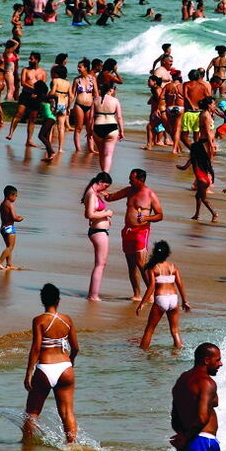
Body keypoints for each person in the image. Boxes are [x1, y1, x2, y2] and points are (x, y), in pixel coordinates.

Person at [24, 284, 79, 444]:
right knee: (67, 412)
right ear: (58, 300)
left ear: (42, 300)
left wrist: (29, 373)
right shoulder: (67, 320)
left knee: (32, 413)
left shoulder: (39, 320)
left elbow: (36, 348)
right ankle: (71, 446)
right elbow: (75, 348)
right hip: (65, 368)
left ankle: (26, 448)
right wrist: (71, 361)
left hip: (45, 369)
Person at [170, 343, 223, 451]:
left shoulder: (182, 380)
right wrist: (186, 437)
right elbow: (202, 418)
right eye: (218, 360)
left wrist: (182, 436)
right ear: (206, 360)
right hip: (203, 444)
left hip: (187, 445)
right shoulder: (207, 382)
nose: (220, 364)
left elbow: (175, 416)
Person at [105, 168, 164, 300]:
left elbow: (160, 215)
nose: (129, 181)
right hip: (127, 231)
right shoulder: (129, 190)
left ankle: (152, 294)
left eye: (132, 179)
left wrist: (147, 218)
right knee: (131, 265)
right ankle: (137, 294)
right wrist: (100, 192)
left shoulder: (150, 195)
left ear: (140, 180)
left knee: (141, 263)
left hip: (141, 231)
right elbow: (111, 197)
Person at [137, 241, 191, 348]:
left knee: (150, 329)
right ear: (168, 253)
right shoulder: (173, 267)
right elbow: (180, 285)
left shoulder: (153, 268)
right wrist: (185, 301)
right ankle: (178, 351)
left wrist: (142, 303)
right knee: (175, 330)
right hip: (174, 299)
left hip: (161, 299)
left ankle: (141, 354)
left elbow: (151, 286)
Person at [82, 172, 114, 301]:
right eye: (105, 186)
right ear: (100, 182)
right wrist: (106, 213)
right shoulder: (91, 194)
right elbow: (89, 214)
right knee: (100, 264)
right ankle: (93, 295)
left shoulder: (93, 193)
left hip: (99, 231)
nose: (105, 189)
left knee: (101, 263)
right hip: (98, 231)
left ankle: (93, 293)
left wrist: (102, 194)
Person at [176, 140, 218, 221]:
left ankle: (214, 213)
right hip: (206, 180)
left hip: (201, 181)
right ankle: (196, 214)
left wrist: (178, 166)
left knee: (203, 199)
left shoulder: (193, 159)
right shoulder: (204, 159)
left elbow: (184, 168)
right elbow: (211, 171)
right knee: (197, 196)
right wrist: (213, 180)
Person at [91, 80, 124, 173]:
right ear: (111, 89)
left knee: (101, 154)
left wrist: (90, 131)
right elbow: (119, 117)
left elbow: (90, 118)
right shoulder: (115, 101)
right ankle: (106, 175)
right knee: (108, 155)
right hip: (111, 128)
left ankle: (103, 174)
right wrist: (122, 131)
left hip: (98, 127)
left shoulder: (96, 100)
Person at [0, 184, 24, 270]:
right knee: (10, 247)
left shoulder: (2, 204)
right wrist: (20, 218)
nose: (16, 198)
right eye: (15, 196)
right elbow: (14, 217)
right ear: (10, 196)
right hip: (9, 228)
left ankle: (9, 264)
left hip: (3, 228)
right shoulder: (10, 204)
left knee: (8, 247)